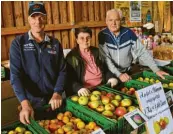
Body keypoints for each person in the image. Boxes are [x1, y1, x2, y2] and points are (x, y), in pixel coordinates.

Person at [10, 2, 66, 124]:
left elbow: (62, 70)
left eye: (41, 17)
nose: (38, 21)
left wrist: (57, 93)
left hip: (53, 102)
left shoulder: (55, 43)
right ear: (28, 19)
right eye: (34, 17)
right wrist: (24, 103)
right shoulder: (18, 44)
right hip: (30, 104)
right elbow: (15, 76)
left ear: (46, 18)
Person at [98, 9, 168, 82]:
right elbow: (106, 59)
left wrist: (156, 70)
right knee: (113, 83)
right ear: (106, 21)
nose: (113, 23)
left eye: (117, 20)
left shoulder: (129, 33)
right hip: (110, 72)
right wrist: (119, 74)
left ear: (121, 21)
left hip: (127, 70)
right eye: (110, 20)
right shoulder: (102, 35)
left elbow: (141, 52)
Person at [65, 26, 118, 97]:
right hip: (85, 92)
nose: (85, 40)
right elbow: (68, 79)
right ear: (77, 40)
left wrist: (111, 77)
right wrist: (78, 88)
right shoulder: (71, 57)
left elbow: (105, 69)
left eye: (88, 37)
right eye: (82, 38)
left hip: (103, 88)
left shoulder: (96, 51)